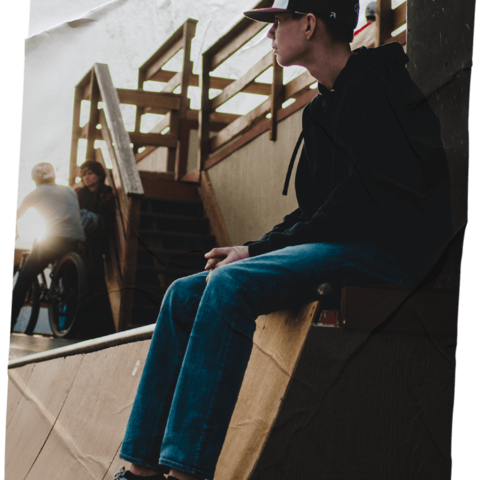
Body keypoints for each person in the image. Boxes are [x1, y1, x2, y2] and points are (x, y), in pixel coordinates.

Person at [114, 1, 454, 479]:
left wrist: (258, 253)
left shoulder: (382, 85)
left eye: (276, 22)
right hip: (344, 247)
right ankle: (142, 469)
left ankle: (186, 472)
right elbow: (313, 213)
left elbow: (362, 202)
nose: (269, 35)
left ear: (310, 23)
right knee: (182, 294)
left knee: (231, 286)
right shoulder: (320, 111)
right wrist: (253, 247)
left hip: (395, 255)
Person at [11, 162, 86, 332]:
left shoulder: (36, 193)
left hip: (54, 239)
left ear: (35, 179)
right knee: (69, 284)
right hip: (77, 240)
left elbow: (18, 214)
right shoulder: (68, 190)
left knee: (23, 279)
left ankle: (11, 321)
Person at [75, 160, 116, 336]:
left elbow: (108, 220)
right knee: (78, 280)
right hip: (80, 242)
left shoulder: (107, 195)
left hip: (98, 243)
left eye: (90, 173)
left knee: (95, 282)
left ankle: (93, 328)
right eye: (84, 174)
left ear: (99, 175)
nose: (86, 177)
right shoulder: (79, 194)